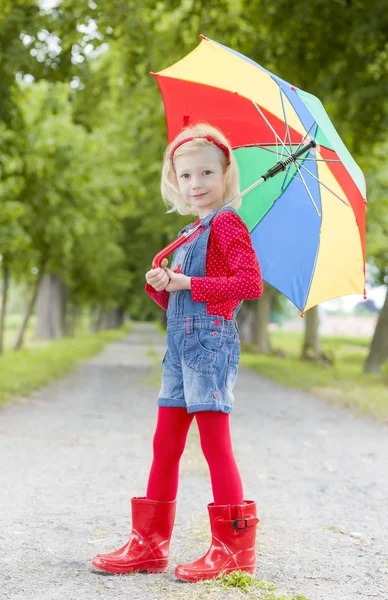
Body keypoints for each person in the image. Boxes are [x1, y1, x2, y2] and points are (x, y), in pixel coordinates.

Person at [92, 122, 263, 582]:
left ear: (226, 174)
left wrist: (188, 281)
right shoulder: (190, 232)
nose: (196, 184)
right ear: (175, 180)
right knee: (164, 444)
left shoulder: (228, 223)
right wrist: (164, 286)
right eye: (185, 176)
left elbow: (249, 284)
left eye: (206, 173)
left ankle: (232, 549)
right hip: (178, 349)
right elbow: (179, 303)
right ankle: (149, 544)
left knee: (213, 445)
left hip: (210, 346)